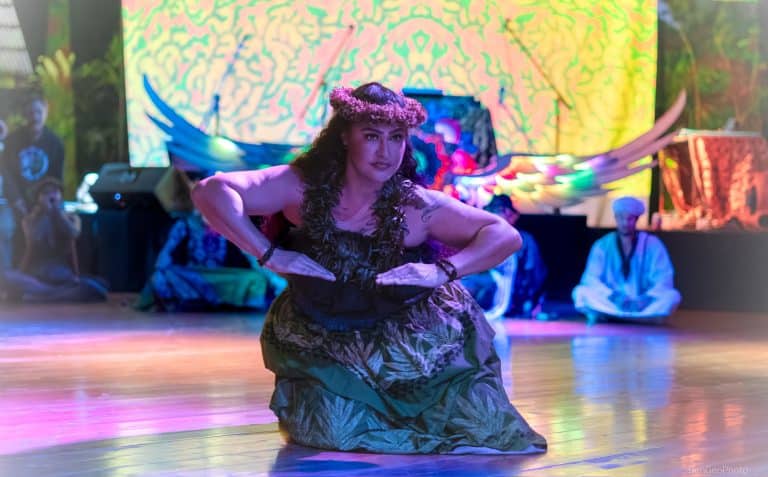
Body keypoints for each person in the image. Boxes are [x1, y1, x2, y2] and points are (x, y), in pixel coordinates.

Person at [192, 83, 546, 454]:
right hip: (325, 335)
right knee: (337, 434)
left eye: (396, 138)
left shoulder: (416, 204)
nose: (386, 152)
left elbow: (504, 235)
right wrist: (268, 254)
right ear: (345, 136)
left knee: (483, 428)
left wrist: (442, 271)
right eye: (372, 136)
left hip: (412, 342)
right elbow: (211, 191)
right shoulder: (301, 187)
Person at [135, 209, 286, 312]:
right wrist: (160, 273)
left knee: (256, 279)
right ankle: (189, 302)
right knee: (164, 276)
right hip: (196, 274)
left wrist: (272, 278)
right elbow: (167, 253)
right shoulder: (186, 224)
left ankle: (232, 305)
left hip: (223, 275)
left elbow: (250, 256)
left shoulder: (229, 226)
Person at [572, 196, 681, 324]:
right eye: (621, 218)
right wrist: (613, 296)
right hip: (613, 302)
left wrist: (645, 299)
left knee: (672, 296)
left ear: (636, 219)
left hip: (642, 304)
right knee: (580, 292)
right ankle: (641, 319)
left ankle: (612, 316)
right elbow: (590, 278)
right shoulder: (602, 245)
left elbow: (664, 278)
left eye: (629, 219)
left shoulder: (653, 244)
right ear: (616, 219)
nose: (625, 223)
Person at [0, 178, 106, 303]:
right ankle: (52, 295)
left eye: (55, 191)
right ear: (38, 198)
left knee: (97, 286)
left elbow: (73, 234)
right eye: (46, 192)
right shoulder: (29, 220)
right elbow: (34, 239)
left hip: (62, 275)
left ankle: (44, 297)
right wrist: (45, 213)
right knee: (7, 277)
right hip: (37, 276)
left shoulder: (72, 218)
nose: (51, 195)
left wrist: (56, 212)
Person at [461, 195, 547, 320]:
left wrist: (532, 301)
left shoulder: (523, 240)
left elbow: (534, 275)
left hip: (509, 293)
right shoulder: (480, 235)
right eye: (493, 211)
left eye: (499, 211)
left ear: (510, 215)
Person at [2, 93, 65, 214]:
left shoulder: (56, 143)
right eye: (31, 113)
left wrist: (46, 200)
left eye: (39, 112)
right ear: (25, 114)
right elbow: (6, 174)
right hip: (15, 204)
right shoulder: (12, 141)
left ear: (46, 112)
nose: (35, 117)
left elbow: (56, 178)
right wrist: (16, 200)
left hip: (45, 204)